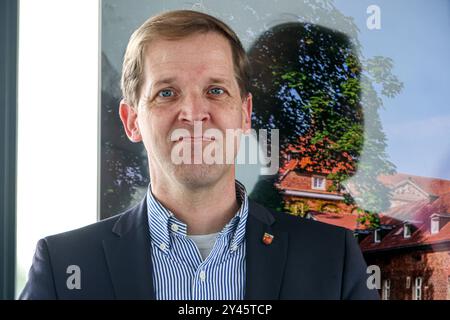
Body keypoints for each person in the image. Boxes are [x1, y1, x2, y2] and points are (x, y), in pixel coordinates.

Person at [20, 10, 379, 300]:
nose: (193, 112)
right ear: (132, 121)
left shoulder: (332, 259)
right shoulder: (62, 266)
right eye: (166, 93)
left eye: (216, 90)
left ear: (244, 114)